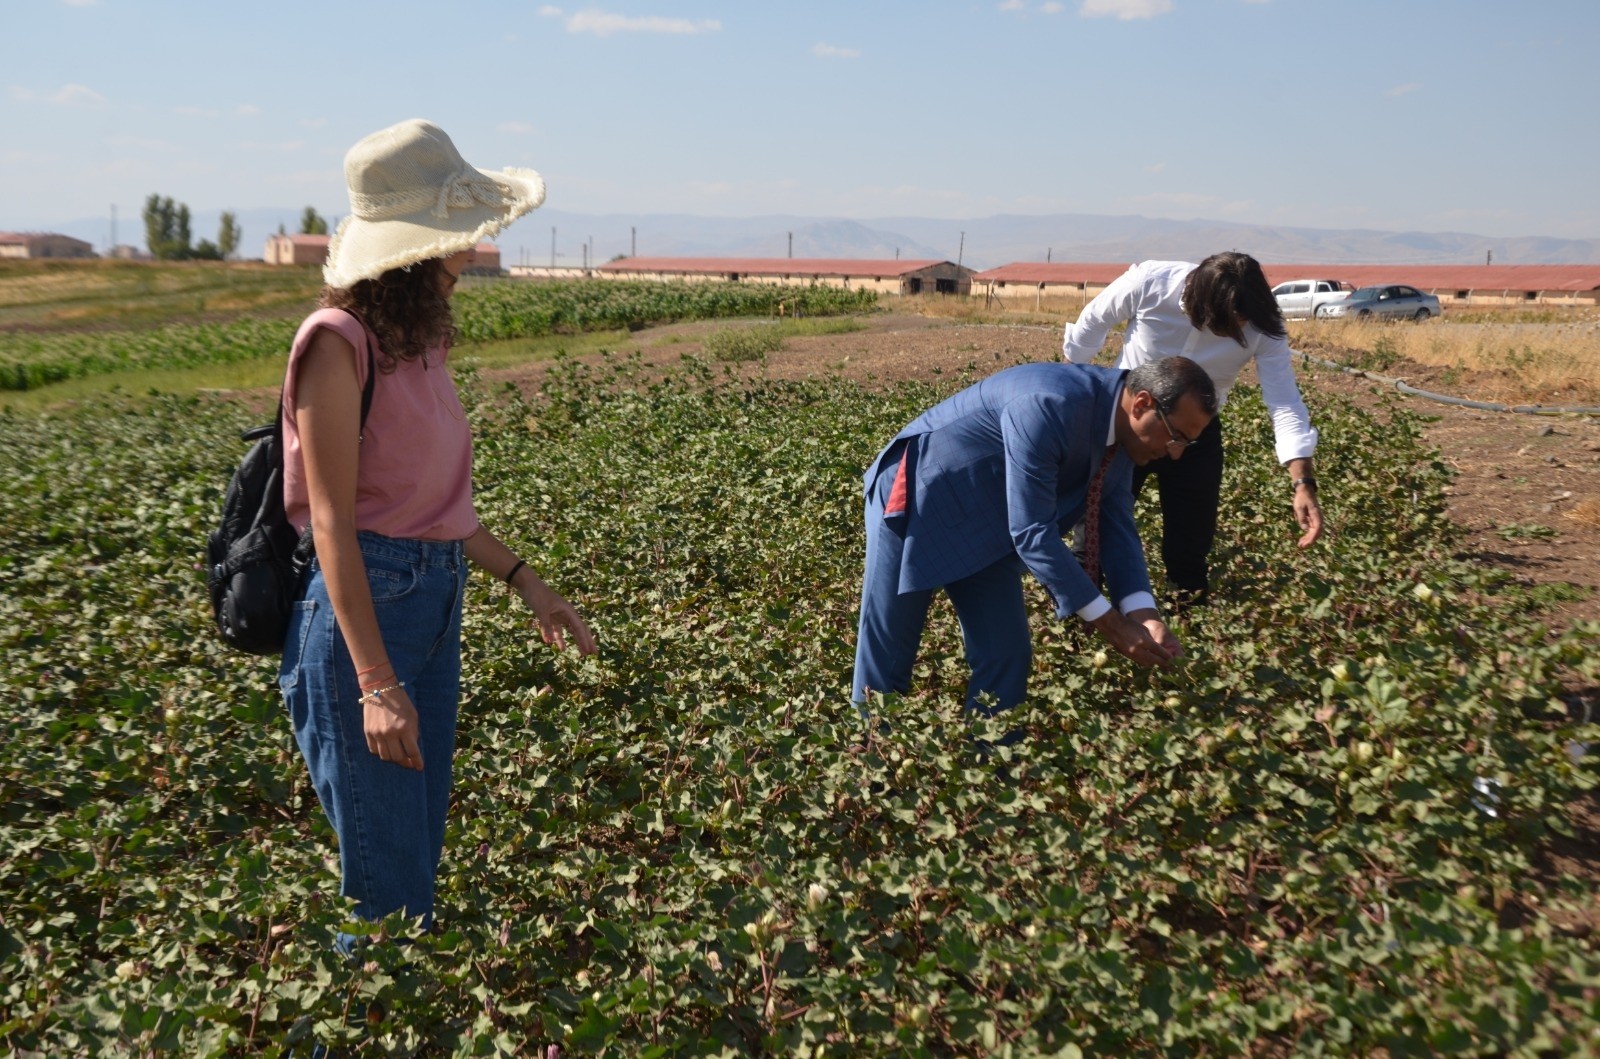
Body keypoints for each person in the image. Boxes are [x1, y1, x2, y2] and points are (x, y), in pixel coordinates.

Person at [278, 119, 597, 945]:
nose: (467, 255)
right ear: (413, 251)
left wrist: (527, 581)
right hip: (364, 625)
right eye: (457, 241)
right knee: (385, 901)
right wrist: (376, 682)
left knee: (411, 874)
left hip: (433, 608)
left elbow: (434, 512)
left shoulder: (417, 346)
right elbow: (335, 530)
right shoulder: (335, 346)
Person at [851, 357, 1217, 717]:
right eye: (1176, 436)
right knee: (889, 653)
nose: (1176, 454)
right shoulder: (1049, 403)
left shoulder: (1122, 435)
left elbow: (1115, 523)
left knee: (1005, 654)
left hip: (991, 521)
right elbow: (1032, 532)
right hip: (920, 495)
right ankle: (869, 759)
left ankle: (992, 759)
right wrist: (1112, 624)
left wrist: (1144, 616)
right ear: (1142, 404)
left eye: (1189, 443)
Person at [1062, 253, 1324, 606]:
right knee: (1091, 539)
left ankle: (1182, 644)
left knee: (1189, 552)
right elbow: (1088, 327)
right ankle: (1078, 633)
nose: (1240, 328)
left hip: (1196, 435)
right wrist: (1078, 403)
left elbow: (1284, 402)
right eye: (1231, 323)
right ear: (1201, 307)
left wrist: (1302, 482)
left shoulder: (1263, 322)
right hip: (1128, 426)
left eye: (1245, 321)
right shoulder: (1150, 283)